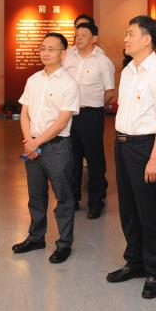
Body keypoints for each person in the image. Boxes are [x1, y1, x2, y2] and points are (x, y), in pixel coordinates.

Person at [107, 15, 156, 300]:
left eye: (130, 33)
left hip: (146, 147)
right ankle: (134, 261)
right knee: (128, 208)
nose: (125, 39)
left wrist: (155, 157)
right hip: (123, 144)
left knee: (150, 211)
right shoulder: (128, 71)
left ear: (147, 39)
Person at [13, 32, 80, 264]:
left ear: (63, 54)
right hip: (32, 146)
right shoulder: (33, 80)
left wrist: (36, 142)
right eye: (43, 48)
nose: (46, 52)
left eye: (51, 49)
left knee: (63, 197)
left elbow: (62, 122)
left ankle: (64, 243)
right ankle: (36, 237)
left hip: (57, 148)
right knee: (36, 195)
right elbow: (24, 113)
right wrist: (28, 141)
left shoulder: (69, 84)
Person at [63, 21, 116, 218]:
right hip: (69, 115)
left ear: (94, 39)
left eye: (84, 35)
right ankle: (73, 199)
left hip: (91, 115)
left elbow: (110, 92)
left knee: (94, 159)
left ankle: (95, 202)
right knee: (72, 159)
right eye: (77, 35)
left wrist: (95, 106)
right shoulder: (68, 57)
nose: (78, 38)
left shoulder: (103, 61)